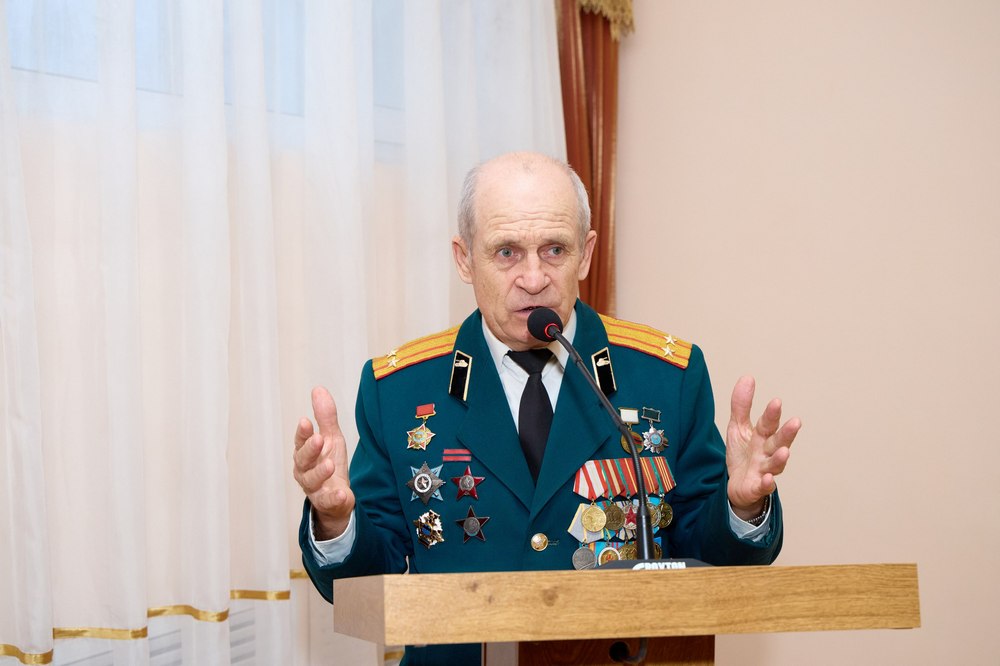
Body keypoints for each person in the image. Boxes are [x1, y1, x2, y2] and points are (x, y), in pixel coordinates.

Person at [293, 152, 800, 665]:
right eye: (507, 252)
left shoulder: (667, 378)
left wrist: (741, 508)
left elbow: (710, 563)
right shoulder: (399, 390)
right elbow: (364, 585)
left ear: (586, 254)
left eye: (554, 250)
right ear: (464, 259)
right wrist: (335, 522)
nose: (533, 278)